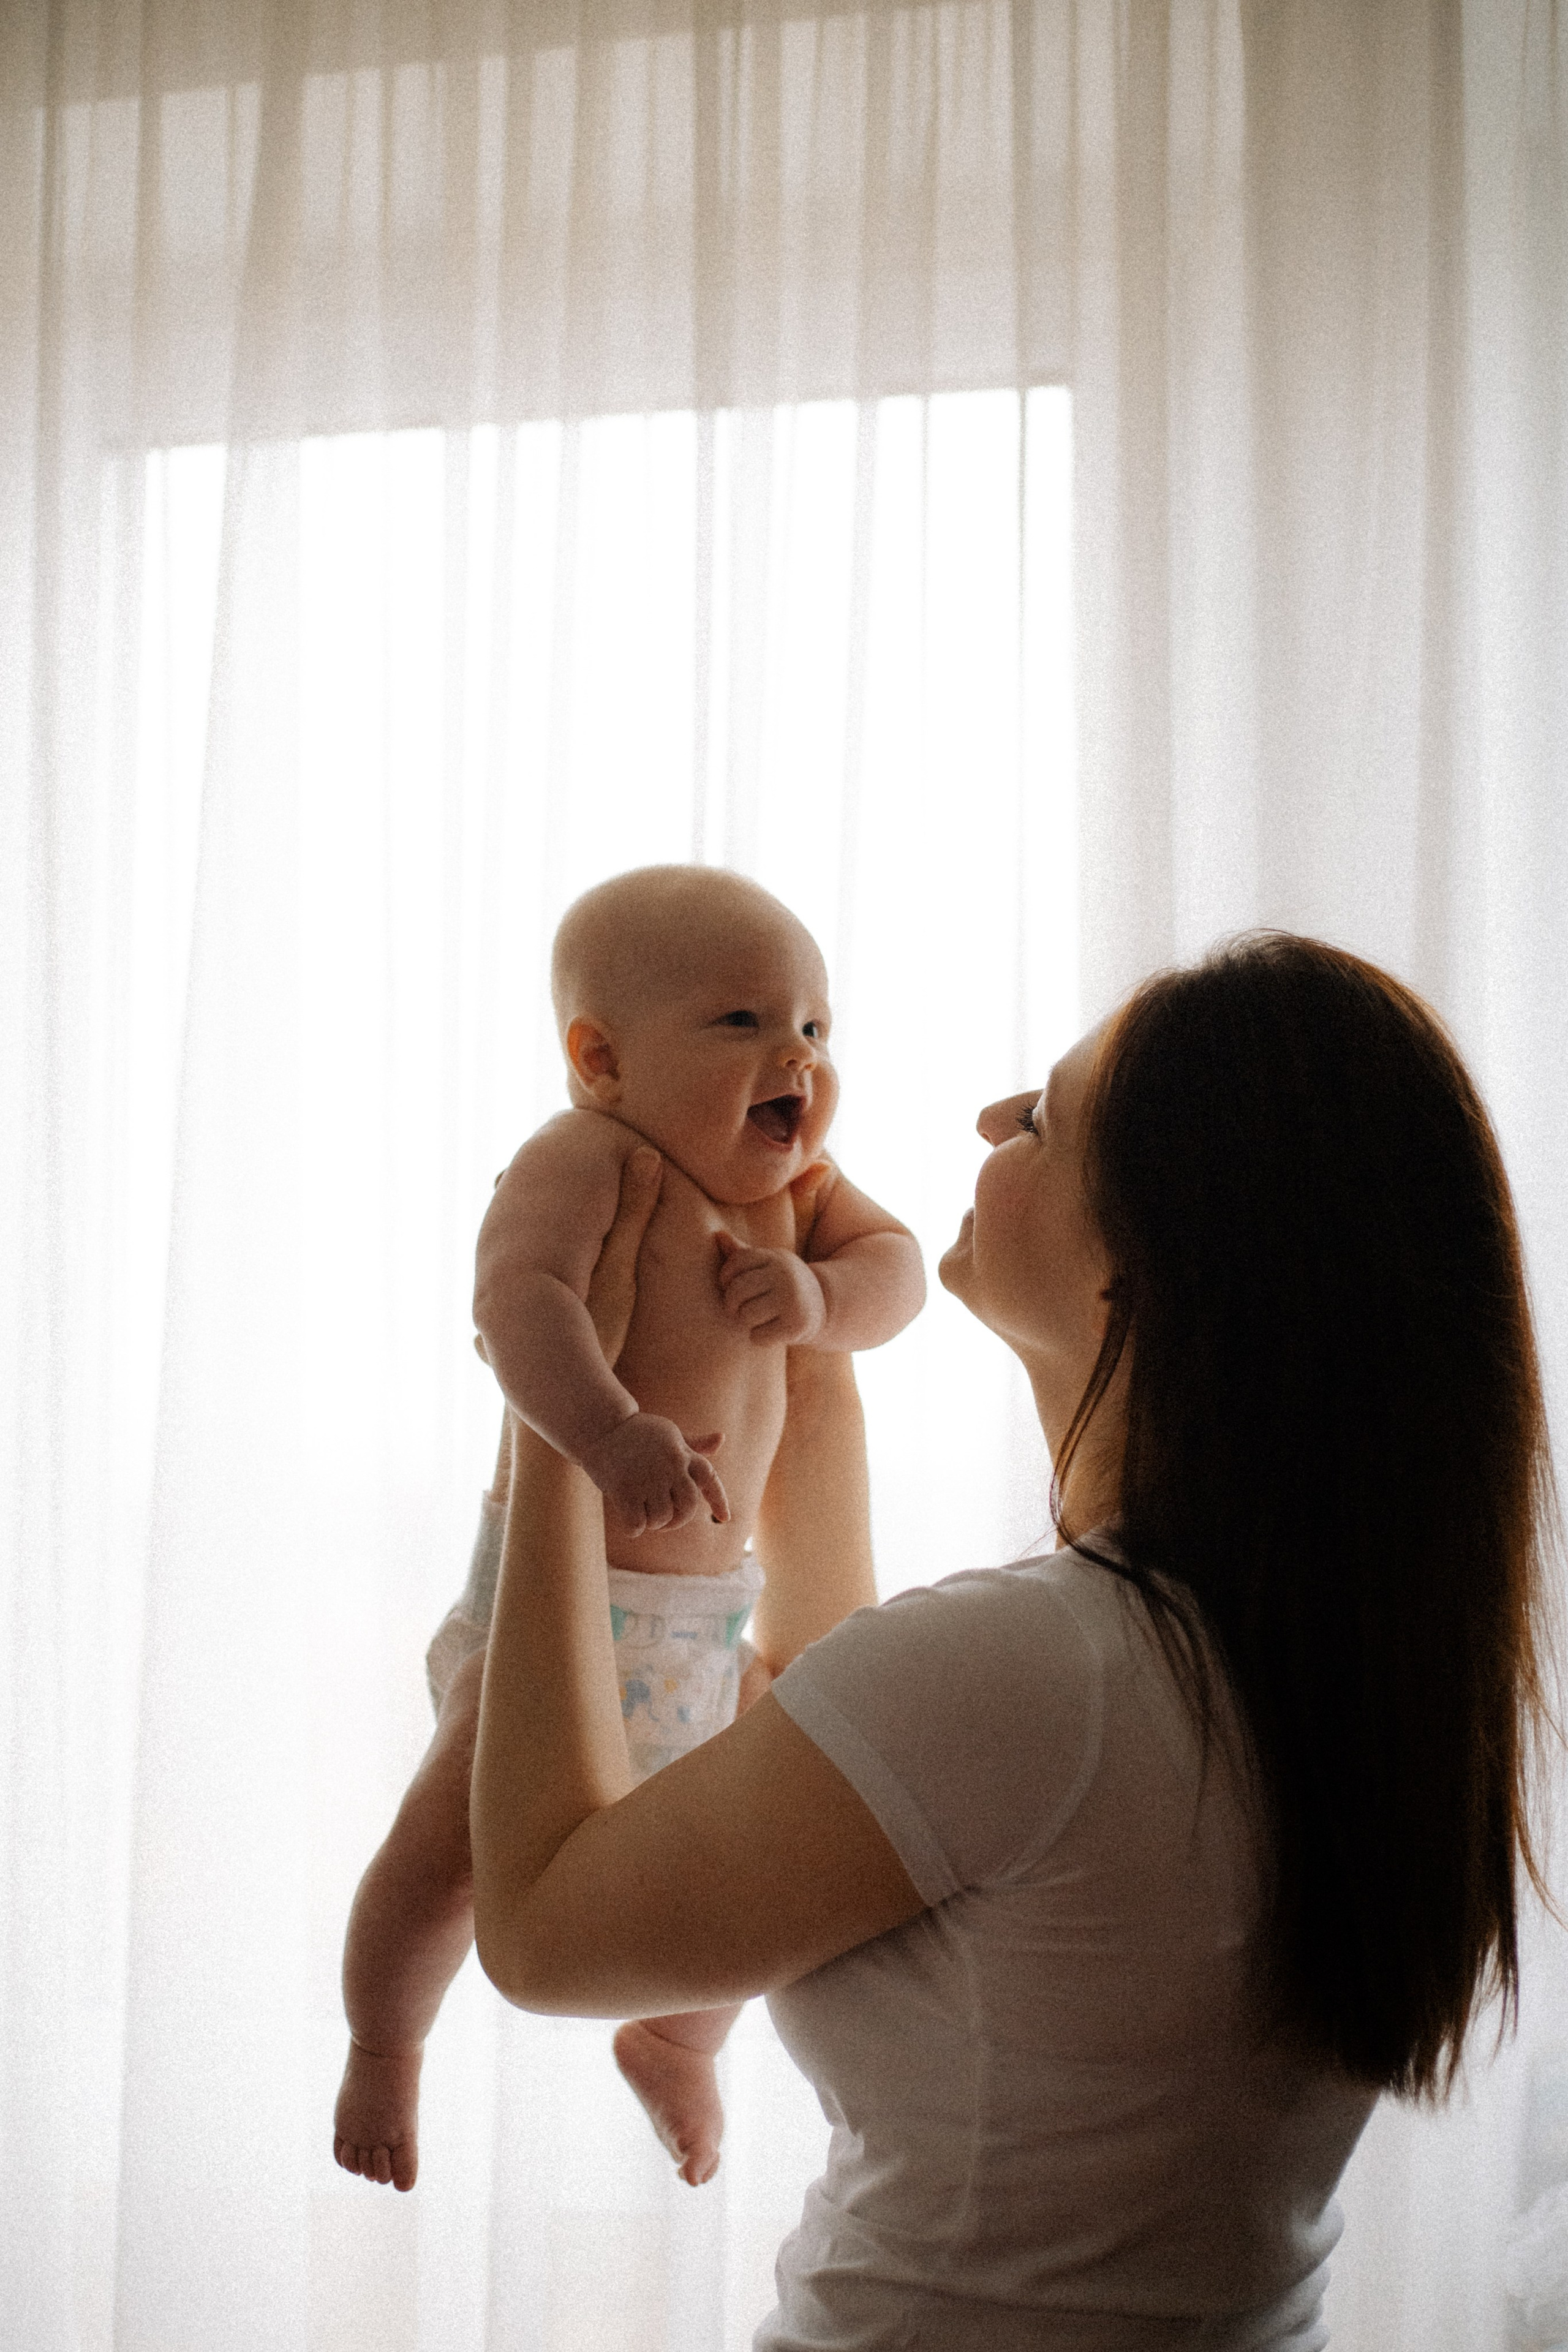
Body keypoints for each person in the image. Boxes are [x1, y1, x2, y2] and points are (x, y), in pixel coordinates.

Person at [467, 932, 1560, 2351]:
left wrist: (559, 1413)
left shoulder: (1040, 1669)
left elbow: (545, 1929)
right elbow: (841, 1707)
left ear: (1142, 1269)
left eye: (1041, 1119)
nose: (991, 1123)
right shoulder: (1318, 1665)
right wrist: (795, 1359)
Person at [333, 865, 925, 2192]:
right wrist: (605, 1434)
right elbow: (516, 1305)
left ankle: (677, 2041)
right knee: (446, 1857)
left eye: (814, 1029)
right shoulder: (587, 1161)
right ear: (598, 1060)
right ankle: (384, 2044)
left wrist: (820, 1298)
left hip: (708, 1628)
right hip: (554, 1617)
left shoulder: (798, 1195)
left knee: (756, 1879)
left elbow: (901, 1279)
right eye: (740, 1024)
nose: (796, 1058)